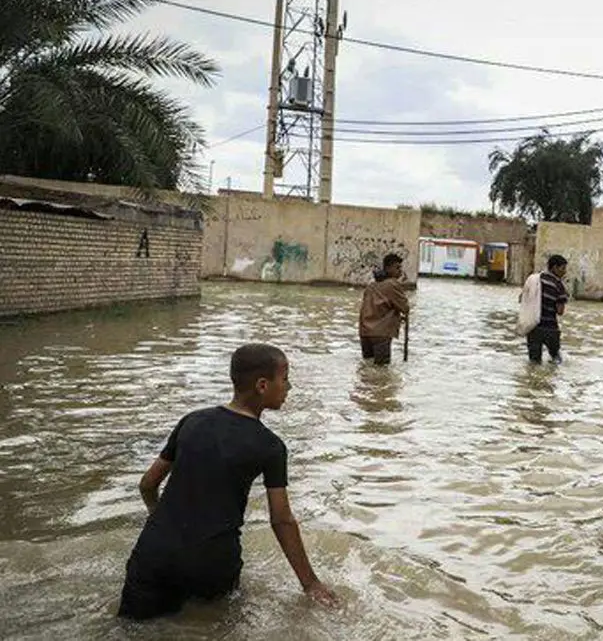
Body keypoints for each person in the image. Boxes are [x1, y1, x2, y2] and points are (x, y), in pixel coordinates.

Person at [118, 344, 337, 620]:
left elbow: (148, 485)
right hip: (211, 564)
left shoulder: (192, 421)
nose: (289, 387)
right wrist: (311, 583)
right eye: (285, 379)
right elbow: (281, 520)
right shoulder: (270, 446)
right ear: (262, 385)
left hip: (153, 555)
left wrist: (161, 523)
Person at [359, 253, 410, 366]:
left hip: (365, 332)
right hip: (380, 334)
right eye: (397, 268)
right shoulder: (392, 284)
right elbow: (405, 308)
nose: (400, 271)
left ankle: (365, 383)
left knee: (367, 365)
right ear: (387, 268)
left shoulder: (371, 285)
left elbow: (376, 308)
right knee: (381, 369)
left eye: (400, 268)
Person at [525, 254, 569, 364]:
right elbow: (560, 311)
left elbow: (522, 299)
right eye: (563, 268)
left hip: (533, 327)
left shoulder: (534, 279)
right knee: (556, 359)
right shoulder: (559, 286)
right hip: (550, 328)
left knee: (534, 362)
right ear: (554, 267)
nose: (565, 272)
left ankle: (533, 380)